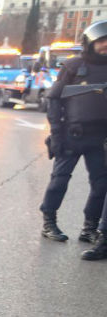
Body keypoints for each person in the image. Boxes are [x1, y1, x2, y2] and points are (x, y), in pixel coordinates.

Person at [41, 20, 107, 244]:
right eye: (101, 41)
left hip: (100, 137)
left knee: (101, 184)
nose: (105, 45)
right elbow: (53, 101)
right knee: (59, 180)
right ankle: (49, 223)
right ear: (90, 43)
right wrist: (57, 134)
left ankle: (89, 228)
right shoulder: (73, 66)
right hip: (72, 134)